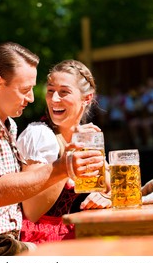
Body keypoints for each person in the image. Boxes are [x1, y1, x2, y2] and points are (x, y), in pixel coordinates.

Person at [0, 42, 104, 256]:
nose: (32, 98)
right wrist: (62, 167)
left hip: (4, 244)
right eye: (25, 90)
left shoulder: (7, 126)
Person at [17, 59, 111, 244]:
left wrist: (107, 196)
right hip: (40, 241)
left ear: (87, 98)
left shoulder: (86, 138)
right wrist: (66, 163)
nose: (54, 99)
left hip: (73, 234)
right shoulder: (40, 134)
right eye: (50, 90)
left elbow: (114, 187)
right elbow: (32, 211)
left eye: (64, 92)